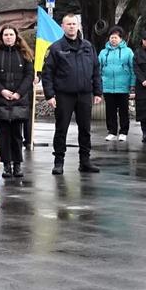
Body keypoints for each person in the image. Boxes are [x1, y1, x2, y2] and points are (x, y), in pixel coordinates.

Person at [40, 13, 103, 174]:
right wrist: (49, 95)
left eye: (74, 24)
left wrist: (97, 91)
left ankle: (85, 161)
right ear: (62, 26)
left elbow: (96, 70)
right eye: (68, 24)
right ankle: (59, 162)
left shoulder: (88, 46)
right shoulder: (55, 48)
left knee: (85, 129)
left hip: (84, 94)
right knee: (61, 129)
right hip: (64, 95)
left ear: (78, 26)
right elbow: (47, 73)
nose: (71, 27)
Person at [0, 25, 33, 178]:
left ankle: (17, 164)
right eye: (6, 35)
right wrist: (2, 90)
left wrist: (19, 93)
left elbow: (29, 74)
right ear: (1, 36)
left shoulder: (24, 53)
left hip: (19, 99)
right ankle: (6, 165)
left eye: (11, 34)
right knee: (4, 134)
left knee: (17, 134)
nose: (8, 37)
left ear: (16, 36)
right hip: (1, 99)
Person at [98, 26, 135, 142]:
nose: (113, 40)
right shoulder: (103, 52)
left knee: (123, 110)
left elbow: (133, 68)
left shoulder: (128, 51)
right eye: (111, 37)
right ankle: (112, 131)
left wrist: (132, 83)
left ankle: (123, 131)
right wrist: (99, 83)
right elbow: (98, 68)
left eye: (116, 37)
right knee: (110, 110)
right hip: (108, 86)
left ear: (121, 39)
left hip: (123, 86)